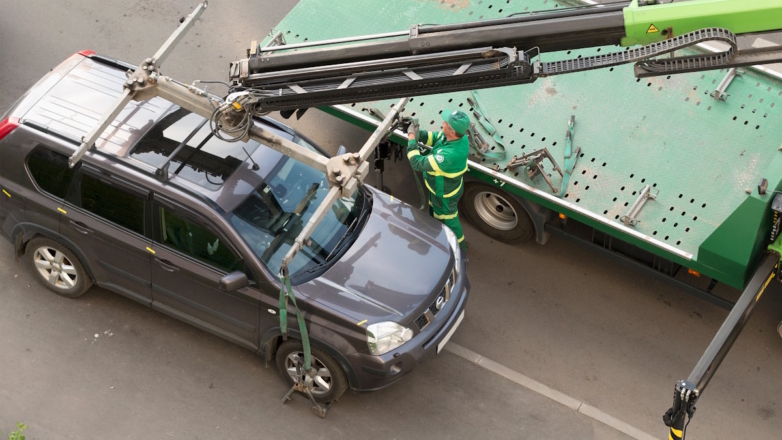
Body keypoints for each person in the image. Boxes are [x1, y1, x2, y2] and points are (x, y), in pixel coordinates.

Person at [406, 109, 470, 251]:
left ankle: (460, 251)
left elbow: (417, 163)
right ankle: (436, 236)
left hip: (444, 194)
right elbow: (436, 138)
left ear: (452, 131)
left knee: (449, 220)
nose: (443, 123)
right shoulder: (458, 137)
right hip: (438, 189)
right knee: (435, 215)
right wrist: (418, 133)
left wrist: (411, 137)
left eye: (446, 122)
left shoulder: (449, 155)